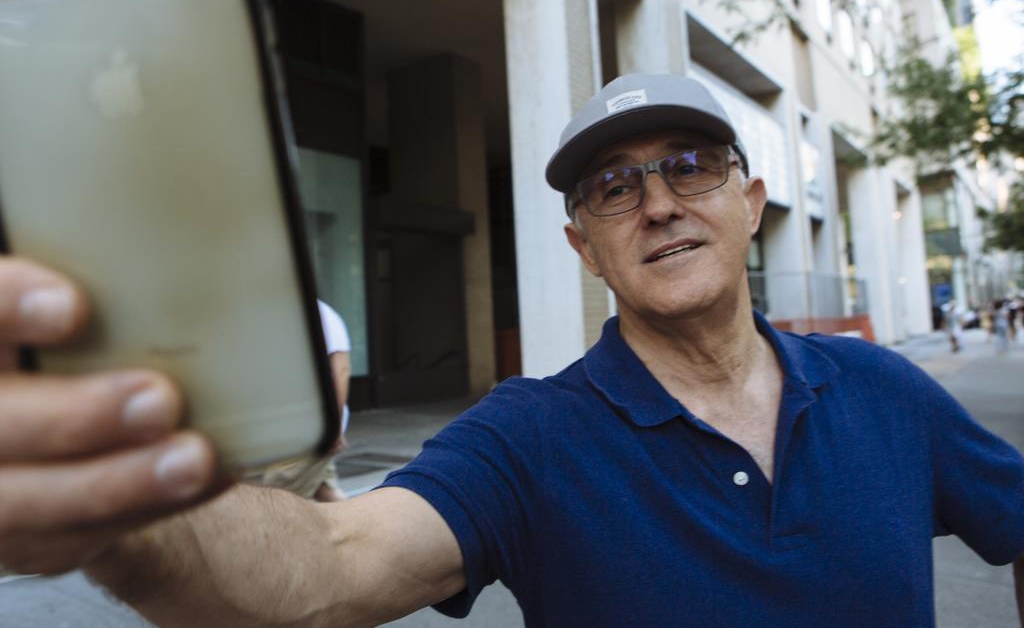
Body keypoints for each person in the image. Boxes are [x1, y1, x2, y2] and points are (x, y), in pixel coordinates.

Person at [0, 73, 1021, 627]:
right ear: (584, 246)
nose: (657, 202)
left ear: (750, 203)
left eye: (689, 166)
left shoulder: (887, 392)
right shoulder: (532, 439)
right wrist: (121, 501)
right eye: (613, 188)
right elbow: (331, 567)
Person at [245, 299, 352, 501]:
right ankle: (360, 530)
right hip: (295, 427)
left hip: (310, 429)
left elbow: (341, 371)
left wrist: (333, 427)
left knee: (275, 500)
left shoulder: (323, 315)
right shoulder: (277, 312)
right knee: (326, 491)